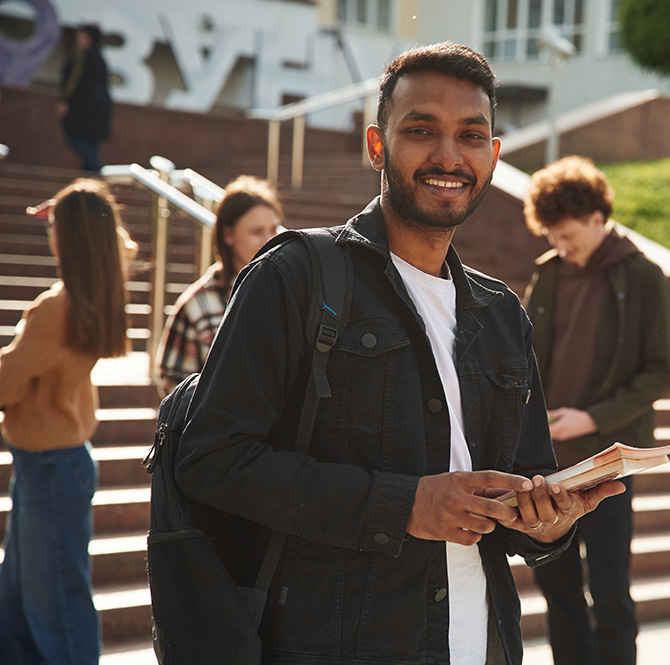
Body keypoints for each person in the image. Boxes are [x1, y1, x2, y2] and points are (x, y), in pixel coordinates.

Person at [173, 42, 624, 665]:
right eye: (420, 130)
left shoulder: (501, 316)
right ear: (377, 146)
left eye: (471, 135)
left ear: (493, 157)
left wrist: (550, 524)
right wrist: (404, 505)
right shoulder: (295, 275)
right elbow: (211, 459)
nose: (448, 155)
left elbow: (524, 485)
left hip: (482, 645)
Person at [522, 155, 670, 665]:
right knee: (557, 588)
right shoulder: (546, 277)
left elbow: (659, 372)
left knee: (610, 589)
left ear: (597, 217)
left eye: (568, 235)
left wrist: (592, 418)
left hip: (608, 458)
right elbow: (523, 363)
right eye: (551, 237)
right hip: (548, 462)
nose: (560, 247)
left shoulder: (643, 276)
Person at [0, 179, 135, 664]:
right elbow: (119, 245)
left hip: (50, 467)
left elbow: (4, 385)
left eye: (55, 223)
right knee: (14, 607)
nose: (48, 230)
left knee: (57, 606)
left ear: (69, 236)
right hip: (58, 462)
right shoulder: (97, 292)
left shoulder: (54, 310)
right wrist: (78, 207)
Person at [154, 175, 283, 395]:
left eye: (273, 229)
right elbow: (172, 382)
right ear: (228, 234)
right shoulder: (196, 303)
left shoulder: (288, 292)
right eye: (256, 231)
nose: (269, 240)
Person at [57, 24, 112, 173]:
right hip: (93, 114)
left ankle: (95, 174)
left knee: (78, 140)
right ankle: (90, 178)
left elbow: (73, 81)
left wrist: (65, 100)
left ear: (87, 37)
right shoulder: (97, 57)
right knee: (89, 145)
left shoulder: (84, 57)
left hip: (83, 113)